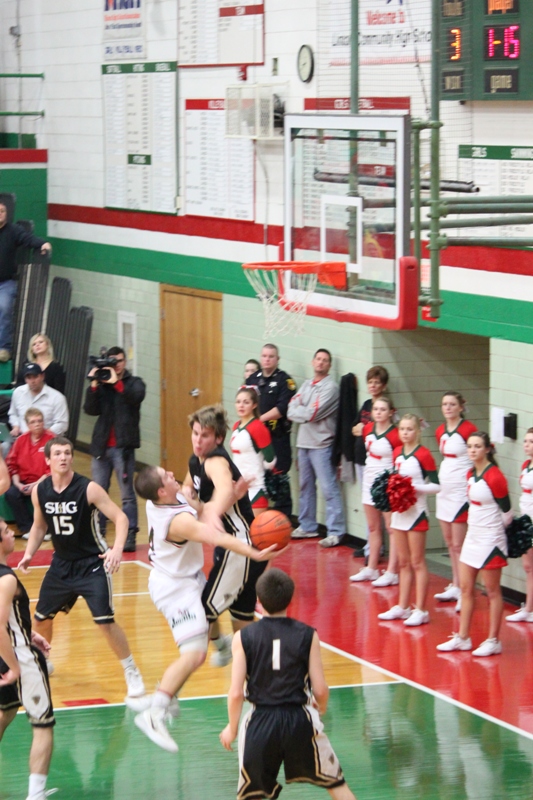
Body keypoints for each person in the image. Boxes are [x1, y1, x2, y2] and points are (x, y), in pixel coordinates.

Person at [133, 465, 280, 753]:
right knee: (194, 654)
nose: (172, 474)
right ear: (161, 491)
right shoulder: (177, 523)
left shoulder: (164, 498)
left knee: (212, 606)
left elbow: (202, 506)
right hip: (175, 589)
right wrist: (255, 553)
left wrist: (233, 494)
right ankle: (154, 713)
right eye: (166, 476)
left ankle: (220, 647)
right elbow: (218, 537)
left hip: (186, 578)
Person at [17, 436, 149, 707]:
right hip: (61, 564)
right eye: (58, 453)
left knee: (104, 622)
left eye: (67, 453)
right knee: (40, 619)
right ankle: (43, 660)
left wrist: (117, 549)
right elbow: (40, 526)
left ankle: (131, 670)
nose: (64, 457)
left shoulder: (88, 489)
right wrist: (29, 553)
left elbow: (121, 518)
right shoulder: (40, 491)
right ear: (48, 459)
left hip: (92, 564)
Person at [219, 568, 356, 800]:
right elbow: (320, 689)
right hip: (299, 720)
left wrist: (231, 729)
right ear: (290, 599)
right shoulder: (308, 635)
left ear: (258, 600)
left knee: (251, 795)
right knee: (337, 785)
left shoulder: (242, 638)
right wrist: (321, 707)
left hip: (260, 722)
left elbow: (235, 694)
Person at [184, 404, 269, 667]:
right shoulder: (196, 461)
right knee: (241, 614)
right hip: (235, 547)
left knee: (203, 611)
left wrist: (213, 511)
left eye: (205, 435)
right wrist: (190, 497)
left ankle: (222, 647)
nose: (198, 441)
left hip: (242, 546)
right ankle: (256, 672)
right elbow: (188, 486)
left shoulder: (216, 462)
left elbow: (223, 489)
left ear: (218, 438)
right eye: (195, 433)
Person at [437, 432, 512, 656]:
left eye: (477, 446)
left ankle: (493, 640)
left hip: (491, 539)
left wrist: (495, 532)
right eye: (469, 446)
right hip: (473, 537)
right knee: (466, 588)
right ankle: (462, 637)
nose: (472, 450)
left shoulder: (495, 476)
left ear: (487, 449)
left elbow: (507, 512)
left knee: (492, 591)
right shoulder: (470, 473)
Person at [0, 518, 56, 800]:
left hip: (6, 652)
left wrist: (29, 633)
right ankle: (36, 795)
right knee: (43, 726)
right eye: (6, 531)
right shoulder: (7, 578)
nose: (12, 533)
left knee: (5, 713)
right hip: (18, 659)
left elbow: (8, 618)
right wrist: (14, 667)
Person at [378, 414, 440, 626]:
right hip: (399, 512)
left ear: (418, 431)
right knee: (403, 562)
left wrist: (413, 488)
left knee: (417, 562)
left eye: (409, 429)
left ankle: (421, 610)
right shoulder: (397, 452)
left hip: (417, 513)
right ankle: (403, 607)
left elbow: (437, 485)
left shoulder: (424, 454)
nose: (405, 433)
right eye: (402, 429)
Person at [84, 346, 146, 552]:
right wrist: (94, 384)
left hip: (123, 448)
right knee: (98, 492)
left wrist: (116, 383)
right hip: (101, 447)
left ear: (124, 362)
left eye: (119, 361)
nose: (116, 364)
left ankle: (129, 534)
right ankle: (97, 533)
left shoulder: (134, 382)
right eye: (112, 361)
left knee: (127, 494)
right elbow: (90, 409)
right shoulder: (103, 385)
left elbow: (135, 397)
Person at [287, 348, 345, 548]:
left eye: (325, 360)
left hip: (322, 444)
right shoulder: (306, 384)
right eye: (318, 359)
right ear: (313, 362)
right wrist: (302, 411)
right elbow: (290, 409)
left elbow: (313, 414)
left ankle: (336, 531)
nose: (320, 362)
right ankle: (307, 526)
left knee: (329, 488)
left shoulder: (331, 388)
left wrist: (301, 410)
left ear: (329, 365)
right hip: (303, 443)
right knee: (305, 487)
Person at [434, 392, 477, 613]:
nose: (448, 408)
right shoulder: (440, 430)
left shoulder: (468, 429)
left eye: (452, 404)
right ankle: (456, 583)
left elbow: (478, 456)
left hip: (461, 491)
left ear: (461, 407)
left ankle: (466, 590)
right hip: (445, 489)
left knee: (460, 544)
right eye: (445, 404)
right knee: (450, 543)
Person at [349, 397, 400, 585]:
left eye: (382, 409)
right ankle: (371, 568)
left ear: (391, 412)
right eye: (376, 409)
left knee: (391, 528)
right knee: (372, 527)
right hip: (369, 480)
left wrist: (393, 484)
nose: (378, 412)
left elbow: (398, 461)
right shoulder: (368, 429)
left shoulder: (395, 434)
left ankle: (392, 571)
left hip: (386, 482)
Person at [246, 344, 297, 518]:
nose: (267, 359)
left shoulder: (285, 381)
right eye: (264, 356)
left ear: (277, 359)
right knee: (256, 477)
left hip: (277, 438)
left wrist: (258, 420)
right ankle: (256, 517)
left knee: (278, 479)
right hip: (255, 439)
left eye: (271, 356)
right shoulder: (252, 379)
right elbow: (243, 401)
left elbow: (283, 408)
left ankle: (283, 520)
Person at [0, 201, 52, 363]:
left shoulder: (13, 231)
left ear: (6, 213)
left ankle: (4, 348)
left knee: (5, 307)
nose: (0, 213)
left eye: (2, 211)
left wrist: (42, 244)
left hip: (5, 282)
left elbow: (28, 238)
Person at [351, 366, 389, 560]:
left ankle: (377, 548)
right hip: (361, 457)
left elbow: (366, 429)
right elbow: (354, 429)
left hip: (378, 464)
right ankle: (369, 544)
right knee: (367, 504)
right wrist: (362, 428)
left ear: (383, 386)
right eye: (370, 382)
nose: (373, 386)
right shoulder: (366, 404)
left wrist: (363, 428)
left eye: (377, 382)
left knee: (379, 505)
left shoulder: (387, 407)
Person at [5, 408, 54, 537]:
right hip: (23, 481)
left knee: (44, 493)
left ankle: (46, 530)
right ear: (27, 425)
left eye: (39, 421)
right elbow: (12, 464)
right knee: (11, 494)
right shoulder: (21, 440)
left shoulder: (52, 440)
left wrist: (35, 485)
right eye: (33, 422)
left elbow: (53, 468)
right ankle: (27, 529)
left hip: (44, 481)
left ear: (43, 422)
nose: (37, 424)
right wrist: (18, 484)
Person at [230, 387, 276, 517]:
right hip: (237, 487)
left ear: (254, 405)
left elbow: (270, 458)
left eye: (246, 402)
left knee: (255, 529)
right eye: (238, 402)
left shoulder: (258, 427)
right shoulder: (236, 426)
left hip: (255, 489)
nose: (241, 405)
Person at [507, 427, 533, 623]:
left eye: (531, 442)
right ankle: (528, 608)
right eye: (526, 441)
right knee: (528, 566)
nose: (527, 445)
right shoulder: (526, 464)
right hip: (526, 521)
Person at [8, 363, 69, 442]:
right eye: (29, 378)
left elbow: (62, 424)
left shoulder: (57, 397)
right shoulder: (18, 392)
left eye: (35, 377)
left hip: (46, 441)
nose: (32, 381)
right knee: (4, 446)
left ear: (42, 376)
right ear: (25, 379)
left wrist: (44, 435)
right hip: (20, 437)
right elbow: (13, 414)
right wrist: (16, 426)